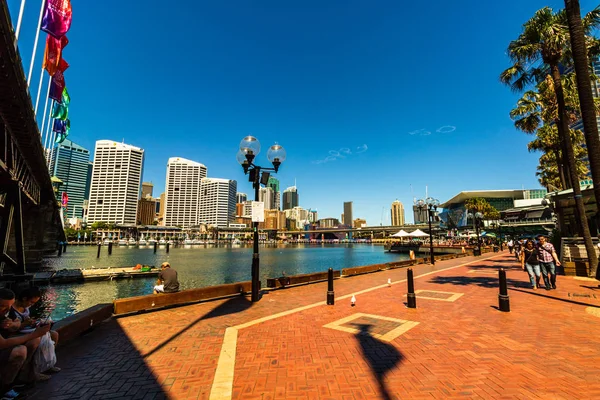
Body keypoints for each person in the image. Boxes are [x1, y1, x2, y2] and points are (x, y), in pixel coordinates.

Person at [0, 289, 50, 399]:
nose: (6, 310)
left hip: (8, 340)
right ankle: (5, 388)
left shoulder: (6, 311)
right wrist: (34, 334)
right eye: (2, 306)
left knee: (34, 342)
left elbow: (16, 322)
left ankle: (16, 381)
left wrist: (11, 324)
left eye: (9, 306)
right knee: (20, 351)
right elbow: (3, 344)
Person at [10, 287, 60, 375]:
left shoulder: (26, 308)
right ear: (24, 299)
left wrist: (33, 322)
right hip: (17, 334)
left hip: (27, 330)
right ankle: (33, 371)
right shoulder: (11, 310)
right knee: (36, 340)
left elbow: (26, 320)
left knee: (54, 334)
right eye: (31, 302)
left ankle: (48, 364)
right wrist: (24, 324)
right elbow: (12, 328)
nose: (31, 305)